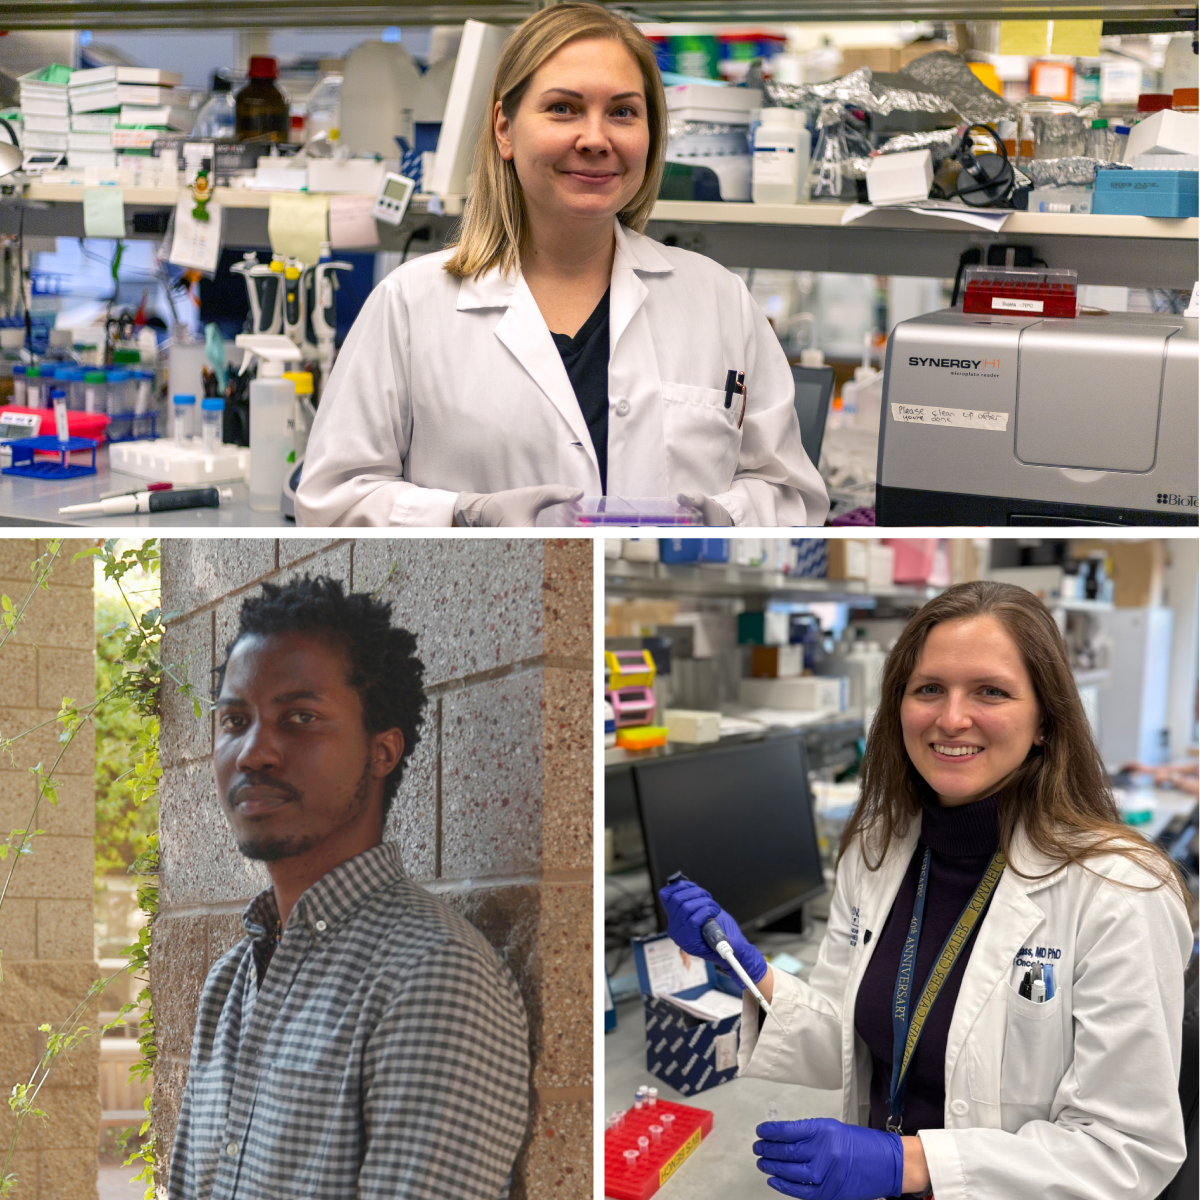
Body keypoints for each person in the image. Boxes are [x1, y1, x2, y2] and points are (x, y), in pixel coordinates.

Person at [661, 580, 1193, 1200]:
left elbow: (1125, 1151)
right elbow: (852, 1031)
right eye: (929, 689)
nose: (950, 718)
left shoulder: (1120, 891)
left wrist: (909, 1163)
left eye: (990, 691)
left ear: (1046, 719)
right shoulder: (878, 846)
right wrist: (746, 971)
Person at [296, 3, 827, 528]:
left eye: (623, 112)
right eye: (563, 108)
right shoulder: (411, 303)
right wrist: (464, 516)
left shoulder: (718, 299)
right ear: (504, 128)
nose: (596, 139)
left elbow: (790, 496)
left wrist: (720, 518)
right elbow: (331, 501)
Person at [167, 576, 530, 1200]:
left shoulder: (432, 975)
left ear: (382, 751)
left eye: (300, 718)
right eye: (234, 720)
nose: (254, 753)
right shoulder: (229, 982)